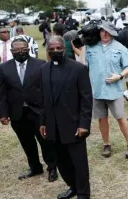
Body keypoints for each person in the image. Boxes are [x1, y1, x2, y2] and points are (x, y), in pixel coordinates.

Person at [0, 37, 58, 181]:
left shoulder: (40, 64)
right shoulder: (5, 67)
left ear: (28, 48)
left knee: (46, 142)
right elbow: (1, 93)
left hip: (38, 112)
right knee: (27, 142)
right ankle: (35, 168)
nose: (20, 51)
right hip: (17, 113)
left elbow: (48, 90)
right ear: (12, 51)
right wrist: (3, 114)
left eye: (23, 48)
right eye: (17, 49)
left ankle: (52, 168)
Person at [39, 36, 92, 199]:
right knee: (61, 161)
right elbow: (44, 99)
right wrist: (43, 122)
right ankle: (73, 187)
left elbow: (86, 99)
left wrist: (83, 124)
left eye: (58, 48)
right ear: (47, 50)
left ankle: (83, 193)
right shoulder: (44, 69)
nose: (55, 51)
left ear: (64, 48)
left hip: (74, 124)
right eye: (52, 48)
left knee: (79, 163)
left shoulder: (78, 69)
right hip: (53, 125)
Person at [85, 22, 128, 158]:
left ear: (113, 33)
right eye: (102, 31)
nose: (105, 34)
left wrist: (119, 76)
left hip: (114, 91)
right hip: (97, 90)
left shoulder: (120, 48)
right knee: (102, 119)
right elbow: (84, 64)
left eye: (107, 31)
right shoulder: (90, 47)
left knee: (120, 117)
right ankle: (106, 144)